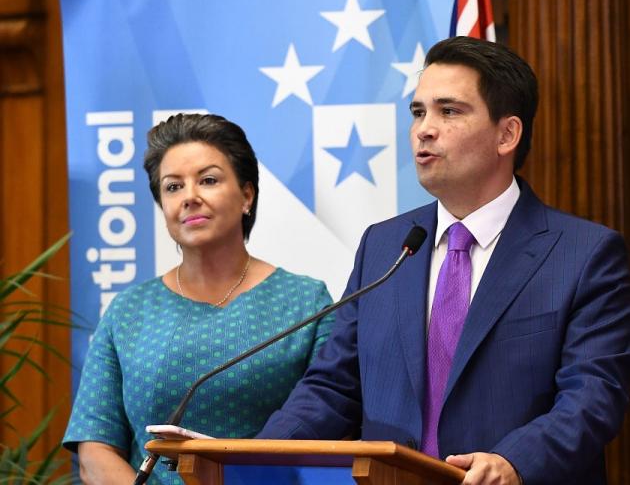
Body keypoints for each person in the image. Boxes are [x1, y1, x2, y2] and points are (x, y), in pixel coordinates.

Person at [257, 36, 630, 485]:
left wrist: (514, 461)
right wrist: (250, 457)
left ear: (507, 134)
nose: (423, 130)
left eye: (448, 111)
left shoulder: (585, 254)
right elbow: (334, 387)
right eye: (418, 112)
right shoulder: (385, 246)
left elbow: (593, 394)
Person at [63, 113, 334, 484]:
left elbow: (332, 424)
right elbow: (94, 448)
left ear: (246, 195)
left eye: (208, 180)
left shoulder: (306, 302)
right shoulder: (129, 311)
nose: (189, 197)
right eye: (173, 187)